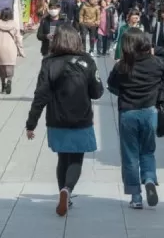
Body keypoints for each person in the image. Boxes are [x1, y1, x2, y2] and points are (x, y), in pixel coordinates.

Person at [26, 25, 104, 217]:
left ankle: (64, 193)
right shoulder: (87, 61)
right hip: (82, 118)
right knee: (76, 158)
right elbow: (97, 92)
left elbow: (40, 95)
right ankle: (67, 190)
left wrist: (31, 123)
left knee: (63, 158)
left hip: (56, 118)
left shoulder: (49, 62)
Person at [107, 28, 164, 209]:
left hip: (128, 114)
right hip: (149, 112)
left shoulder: (122, 65)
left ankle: (136, 196)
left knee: (130, 155)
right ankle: (149, 179)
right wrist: (157, 49)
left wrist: (124, 92)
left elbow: (112, 86)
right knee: (147, 151)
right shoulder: (156, 63)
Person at [0, 8, 24, 95]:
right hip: (11, 48)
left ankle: (3, 85)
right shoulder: (14, 24)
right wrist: (21, 50)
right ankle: (9, 81)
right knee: (10, 66)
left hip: (0, 48)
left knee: (2, 67)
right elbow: (18, 38)